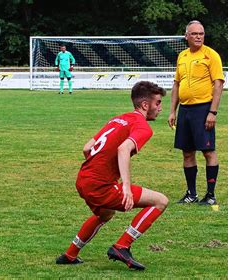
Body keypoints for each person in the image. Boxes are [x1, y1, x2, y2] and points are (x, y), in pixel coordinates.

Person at [56, 81, 168, 270]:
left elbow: (87, 147)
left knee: (105, 213)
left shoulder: (118, 119)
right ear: (145, 105)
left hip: (83, 179)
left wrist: (99, 168)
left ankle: (70, 254)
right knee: (161, 201)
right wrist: (125, 186)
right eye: (158, 103)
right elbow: (123, 149)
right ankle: (122, 245)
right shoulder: (143, 127)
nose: (160, 108)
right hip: (99, 185)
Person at [168, 20, 225, 205]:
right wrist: (172, 111)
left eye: (201, 33)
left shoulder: (211, 55)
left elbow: (218, 84)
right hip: (185, 110)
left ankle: (210, 195)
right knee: (187, 152)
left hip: (203, 109)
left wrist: (212, 112)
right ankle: (191, 194)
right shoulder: (182, 56)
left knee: (208, 151)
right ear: (186, 36)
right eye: (194, 34)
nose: (198, 36)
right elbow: (177, 84)